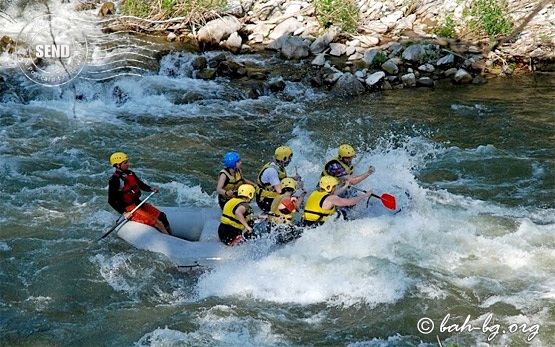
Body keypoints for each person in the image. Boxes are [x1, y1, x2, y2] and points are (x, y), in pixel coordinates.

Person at [108, 152, 172, 235]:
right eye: (125, 162)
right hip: (130, 208)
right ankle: (170, 240)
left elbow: (139, 184)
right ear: (117, 165)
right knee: (157, 223)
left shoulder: (129, 173)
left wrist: (150, 189)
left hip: (138, 203)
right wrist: (124, 213)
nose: (128, 164)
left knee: (162, 217)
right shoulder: (114, 180)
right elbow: (111, 200)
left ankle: (172, 235)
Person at [301, 176, 372, 227]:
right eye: (334, 186)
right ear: (328, 187)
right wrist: (365, 195)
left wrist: (345, 186)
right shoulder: (331, 198)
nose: (335, 188)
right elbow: (349, 202)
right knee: (342, 213)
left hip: (306, 224)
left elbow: (332, 194)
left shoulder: (315, 193)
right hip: (318, 227)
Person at [255, 145, 296, 212]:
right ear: (284, 158)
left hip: (270, 197)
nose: (290, 160)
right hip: (265, 200)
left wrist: (293, 179)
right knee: (294, 201)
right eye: (289, 158)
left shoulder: (277, 166)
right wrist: (294, 188)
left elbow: (280, 180)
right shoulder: (272, 171)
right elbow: (279, 191)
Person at [268, 177, 306, 243]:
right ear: (293, 188)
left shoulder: (278, 197)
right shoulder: (287, 198)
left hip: (272, 225)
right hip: (282, 228)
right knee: (305, 233)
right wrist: (303, 193)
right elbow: (296, 207)